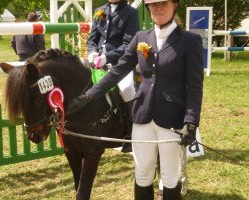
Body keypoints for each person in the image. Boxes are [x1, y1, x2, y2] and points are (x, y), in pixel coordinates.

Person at [68, 0, 204, 199]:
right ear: (148, 9)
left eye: (163, 4)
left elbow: (194, 86)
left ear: (175, 5)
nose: (158, 9)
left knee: (169, 175)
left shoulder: (190, 41)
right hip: (142, 115)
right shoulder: (142, 37)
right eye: (153, 5)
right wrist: (88, 96)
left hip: (172, 118)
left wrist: (191, 122)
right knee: (142, 173)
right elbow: (117, 71)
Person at [86, 0, 140, 152]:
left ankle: (131, 133)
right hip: (96, 59)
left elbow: (129, 44)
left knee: (127, 88)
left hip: (121, 62)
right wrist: (92, 52)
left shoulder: (131, 13)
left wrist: (107, 57)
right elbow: (92, 38)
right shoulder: (100, 10)